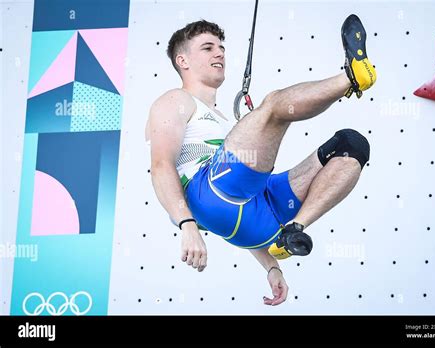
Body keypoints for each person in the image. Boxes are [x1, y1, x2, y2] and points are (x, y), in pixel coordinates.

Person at [145, 16, 376, 306]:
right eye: (207, 48)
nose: (220, 53)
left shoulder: (221, 122)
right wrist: (187, 225)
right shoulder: (175, 100)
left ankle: (293, 231)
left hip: (258, 222)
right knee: (275, 106)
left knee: (350, 146)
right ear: (183, 60)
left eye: (221, 47)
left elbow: (237, 200)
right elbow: (161, 166)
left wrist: (272, 267)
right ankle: (350, 78)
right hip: (205, 193)